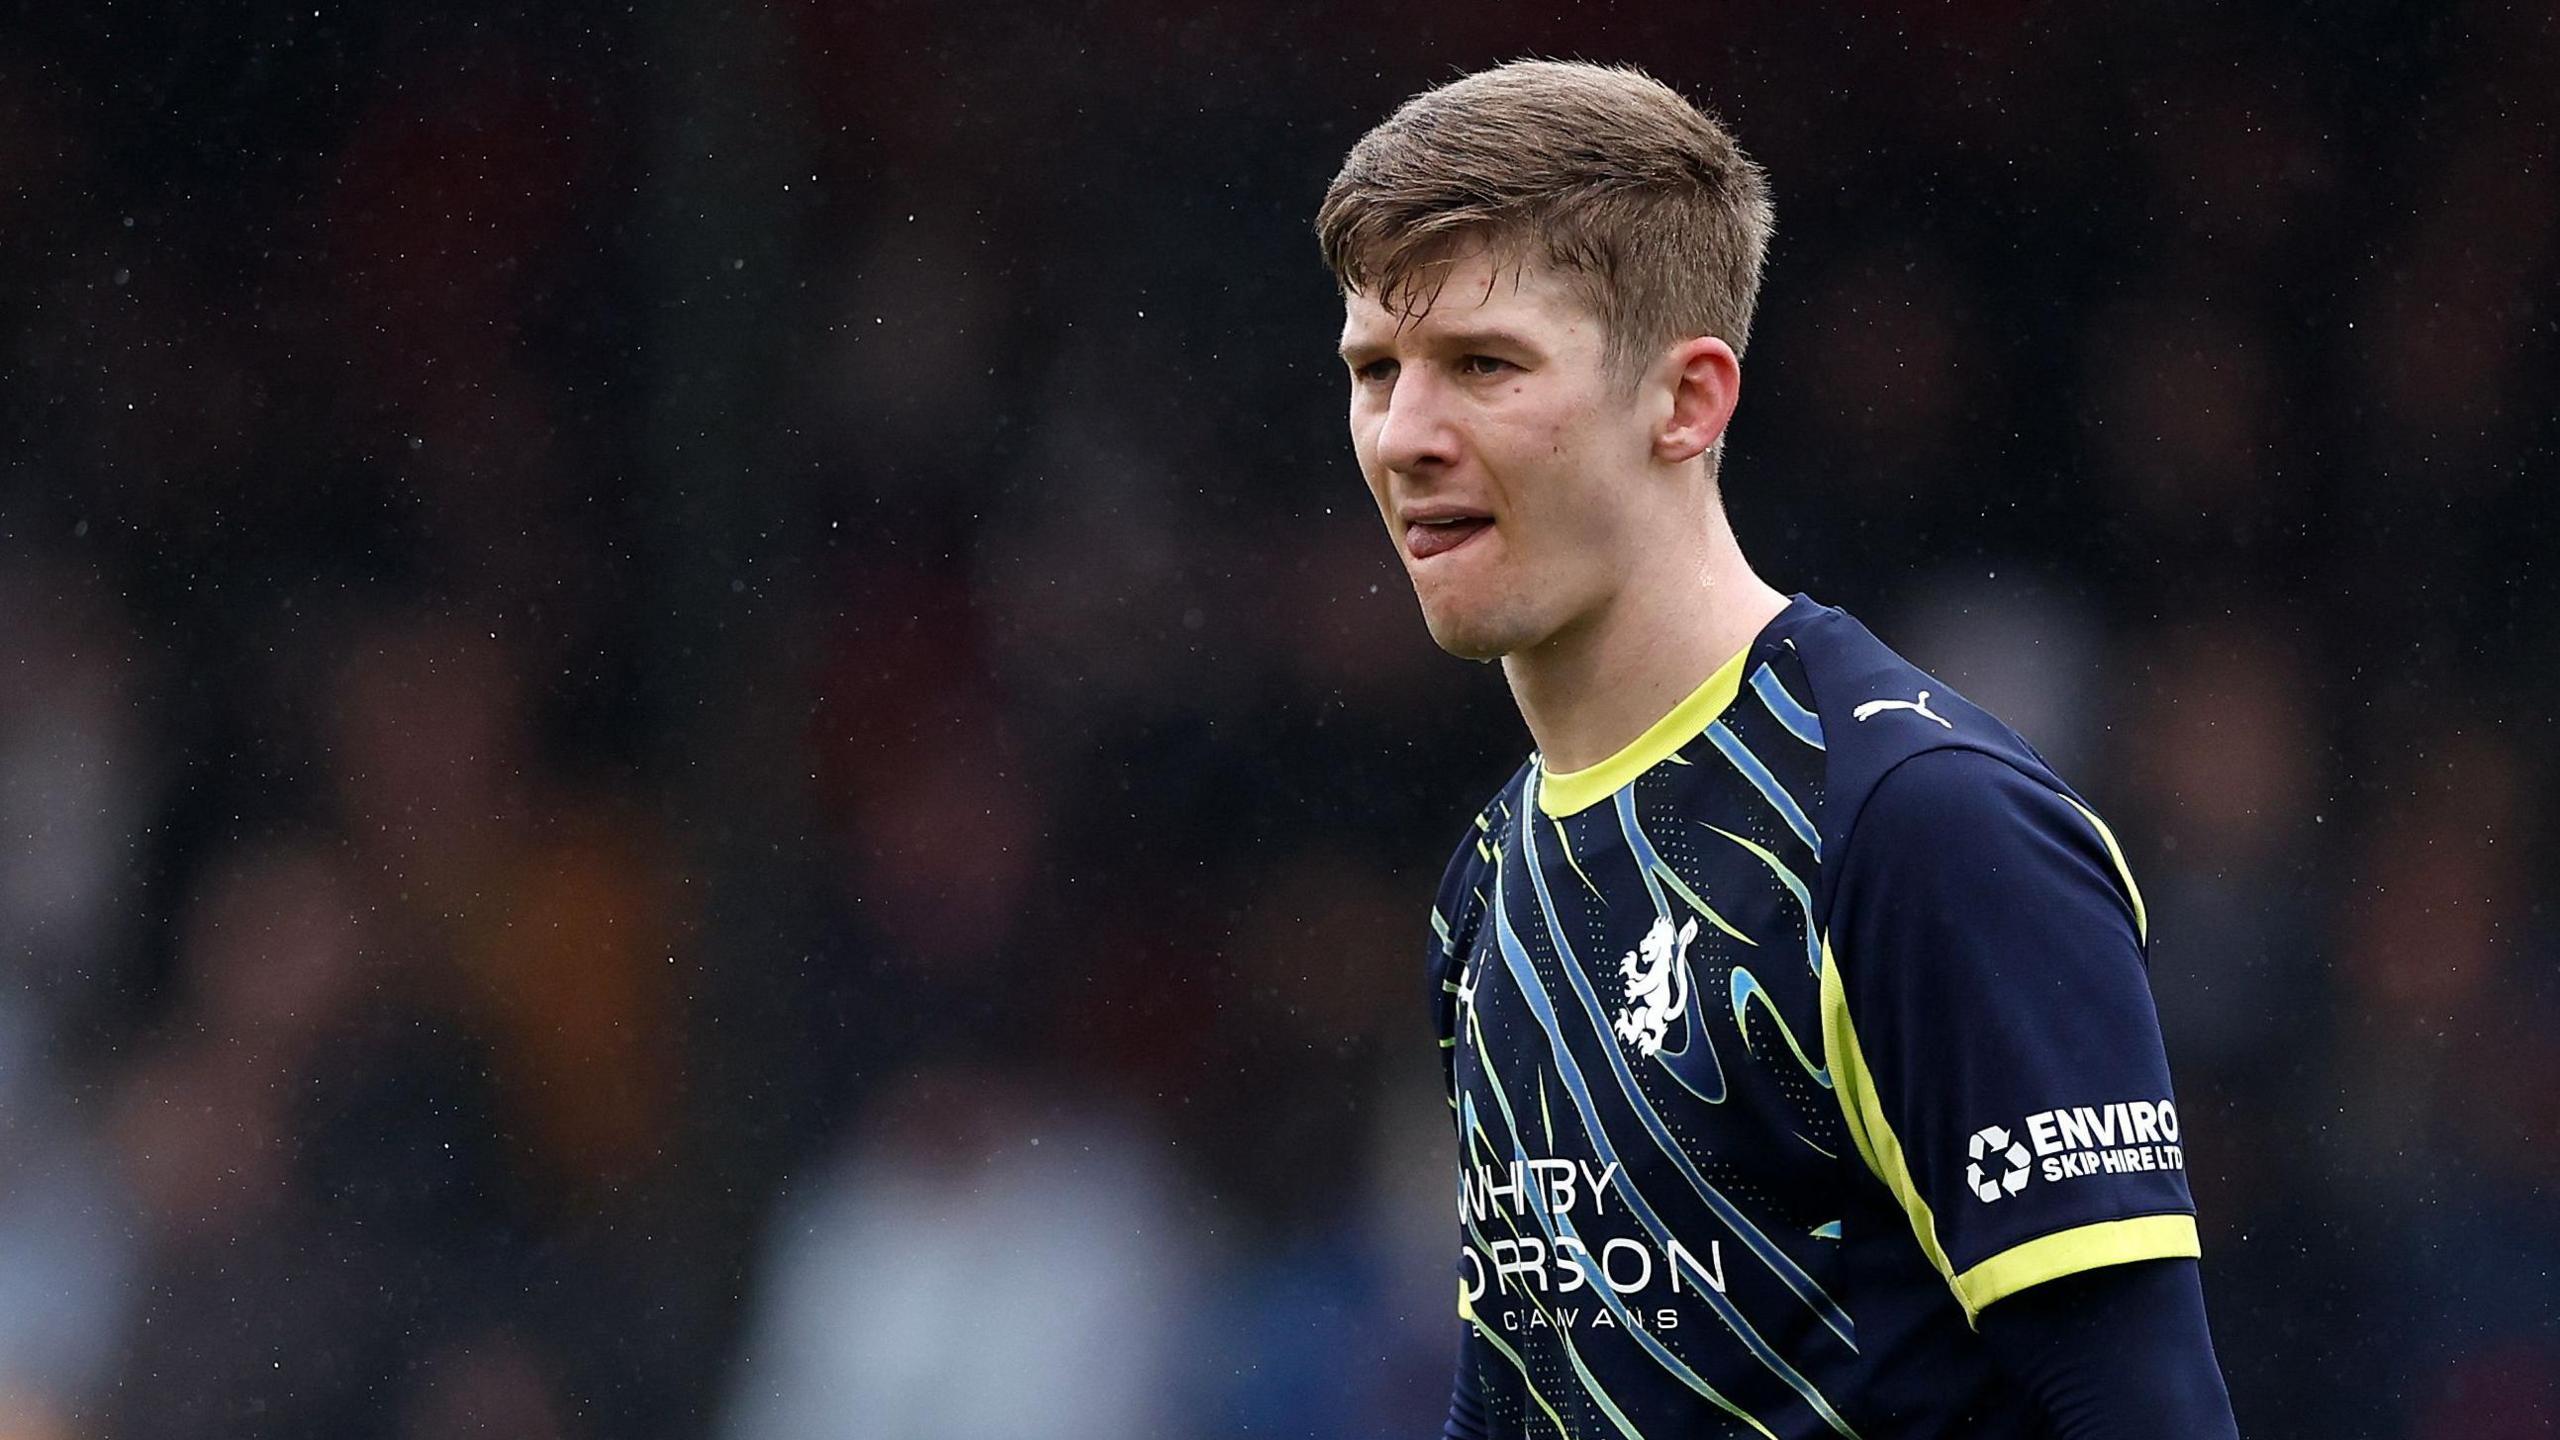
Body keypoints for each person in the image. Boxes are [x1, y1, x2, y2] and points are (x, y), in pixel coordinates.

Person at [1316, 61, 2243, 1439]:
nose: (1404, 438)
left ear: (1688, 401)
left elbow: (2145, 1411)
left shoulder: (1918, 830)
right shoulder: (1490, 882)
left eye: (1484, 365)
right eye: (1375, 372)